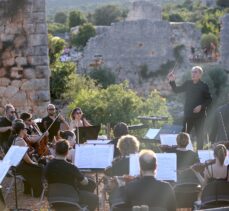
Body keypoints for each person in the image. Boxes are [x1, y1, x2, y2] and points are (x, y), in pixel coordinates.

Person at [45, 139, 98, 211]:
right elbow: (84, 182)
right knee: (94, 198)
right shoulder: (71, 167)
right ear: (67, 152)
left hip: (53, 198)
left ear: (55, 151)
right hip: (71, 197)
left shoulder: (48, 165)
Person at [167, 66, 212, 149]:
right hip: (188, 115)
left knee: (200, 137)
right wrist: (172, 81)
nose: (193, 74)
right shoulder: (188, 83)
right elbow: (176, 90)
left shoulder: (204, 86)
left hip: (200, 117)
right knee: (183, 135)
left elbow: (209, 100)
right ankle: (182, 152)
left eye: (195, 72)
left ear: (200, 74)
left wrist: (201, 106)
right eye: (192, 72)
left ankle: (199, 156)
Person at [9, 121, 43, 197]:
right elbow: (27, 159)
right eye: (25, 129)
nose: (27, 130)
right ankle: (37, 192)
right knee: (39, 168)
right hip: (19, 167)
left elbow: (22, 155)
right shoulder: (20, 141)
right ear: (21, 130)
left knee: (37, 165)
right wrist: (34, 163)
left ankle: (28, 190)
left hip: (18, 165)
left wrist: (31, 153)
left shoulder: (16, 139)